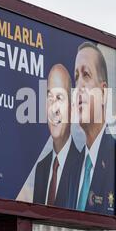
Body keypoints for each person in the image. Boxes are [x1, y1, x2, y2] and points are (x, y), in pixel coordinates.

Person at [74, 42, 116, 215]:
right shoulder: (71, 167)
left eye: (86, 75)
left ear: (104, 93)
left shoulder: (115, 157)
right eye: (76, 77)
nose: (78, 87)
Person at [33, 64, 83, 209]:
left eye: (60, 98)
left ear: (72, 109)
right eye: (50, 98)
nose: (54, 108)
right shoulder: (41, 169)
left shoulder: (82, 168)